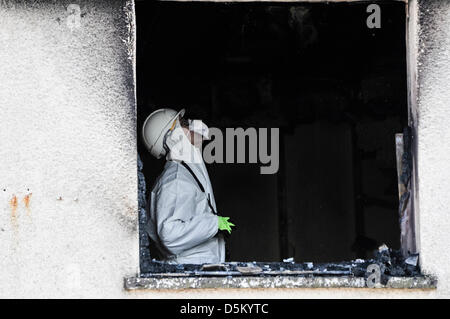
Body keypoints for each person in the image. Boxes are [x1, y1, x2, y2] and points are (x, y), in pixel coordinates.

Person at [142, 108, 235, 264]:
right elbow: (169, 236)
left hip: (197, 269)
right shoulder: (176, 180)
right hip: (190, 271)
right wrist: (214, 224)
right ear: (174, 137)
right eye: (184, 123)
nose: (191, 125)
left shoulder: (187, 171)